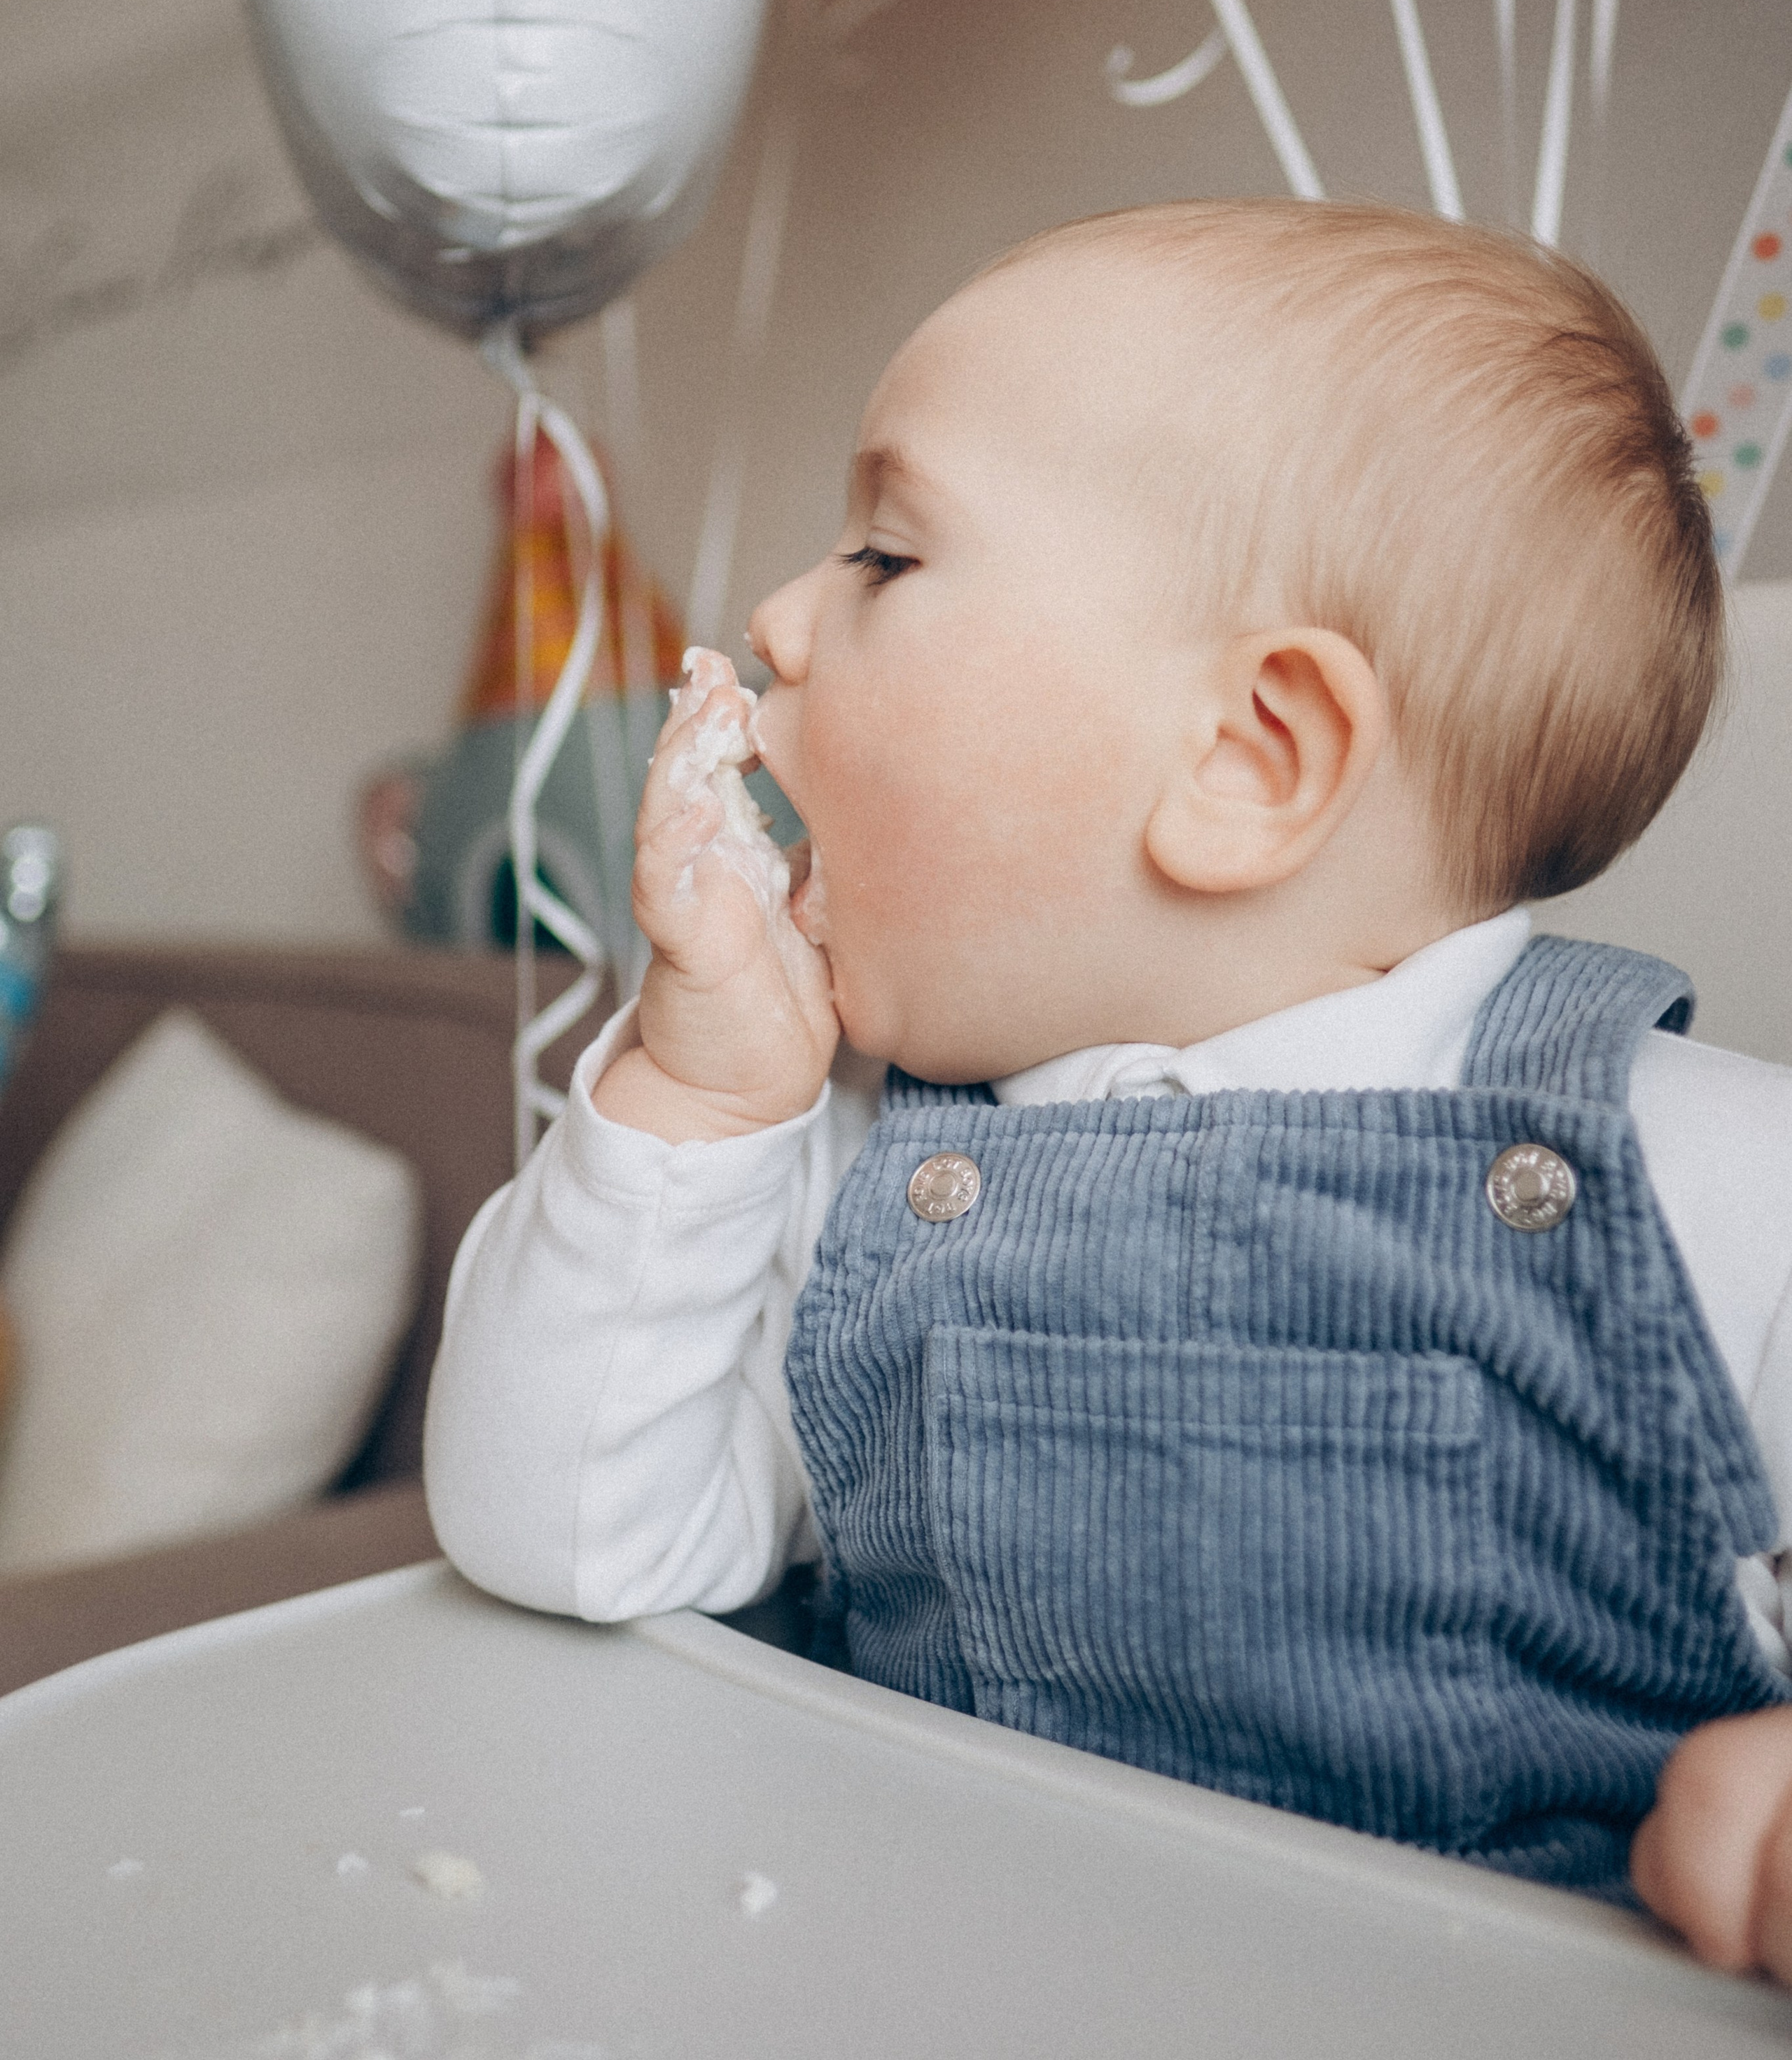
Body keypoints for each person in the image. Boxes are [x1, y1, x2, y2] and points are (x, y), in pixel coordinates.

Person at [425, 198, 1792, 1976]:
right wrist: (698, 1096)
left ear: (1244, 758)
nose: (776, 616)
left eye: (885, 557)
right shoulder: (848, 1170)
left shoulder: (1697, 1177)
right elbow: (556, 1530)